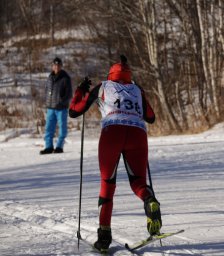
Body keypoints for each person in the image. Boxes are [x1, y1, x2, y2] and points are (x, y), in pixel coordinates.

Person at [69, 55, 161, 253]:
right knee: (138, 182)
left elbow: (74, 111)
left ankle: (104, 238)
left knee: (107, 185)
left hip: (112, 133)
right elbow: (151, 117)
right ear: (129, 75)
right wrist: (138, 94)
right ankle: (150, 201)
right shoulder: (137, 89)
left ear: (110, 74)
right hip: (137, 133)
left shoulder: (103, 86)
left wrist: (80, 91)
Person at [40, 57, 72, 154]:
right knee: (48, 128)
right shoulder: (50, 77)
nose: (56, 67)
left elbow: (69, 93)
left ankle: (59, 147)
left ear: (61, 66)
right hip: (50, 108)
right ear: (52, 66)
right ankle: (49, 147)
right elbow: (47, 90)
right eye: (55, 65)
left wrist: (62, 101)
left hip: (61, 108)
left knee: (62, 129)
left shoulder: (65, 78)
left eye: (58, 65)